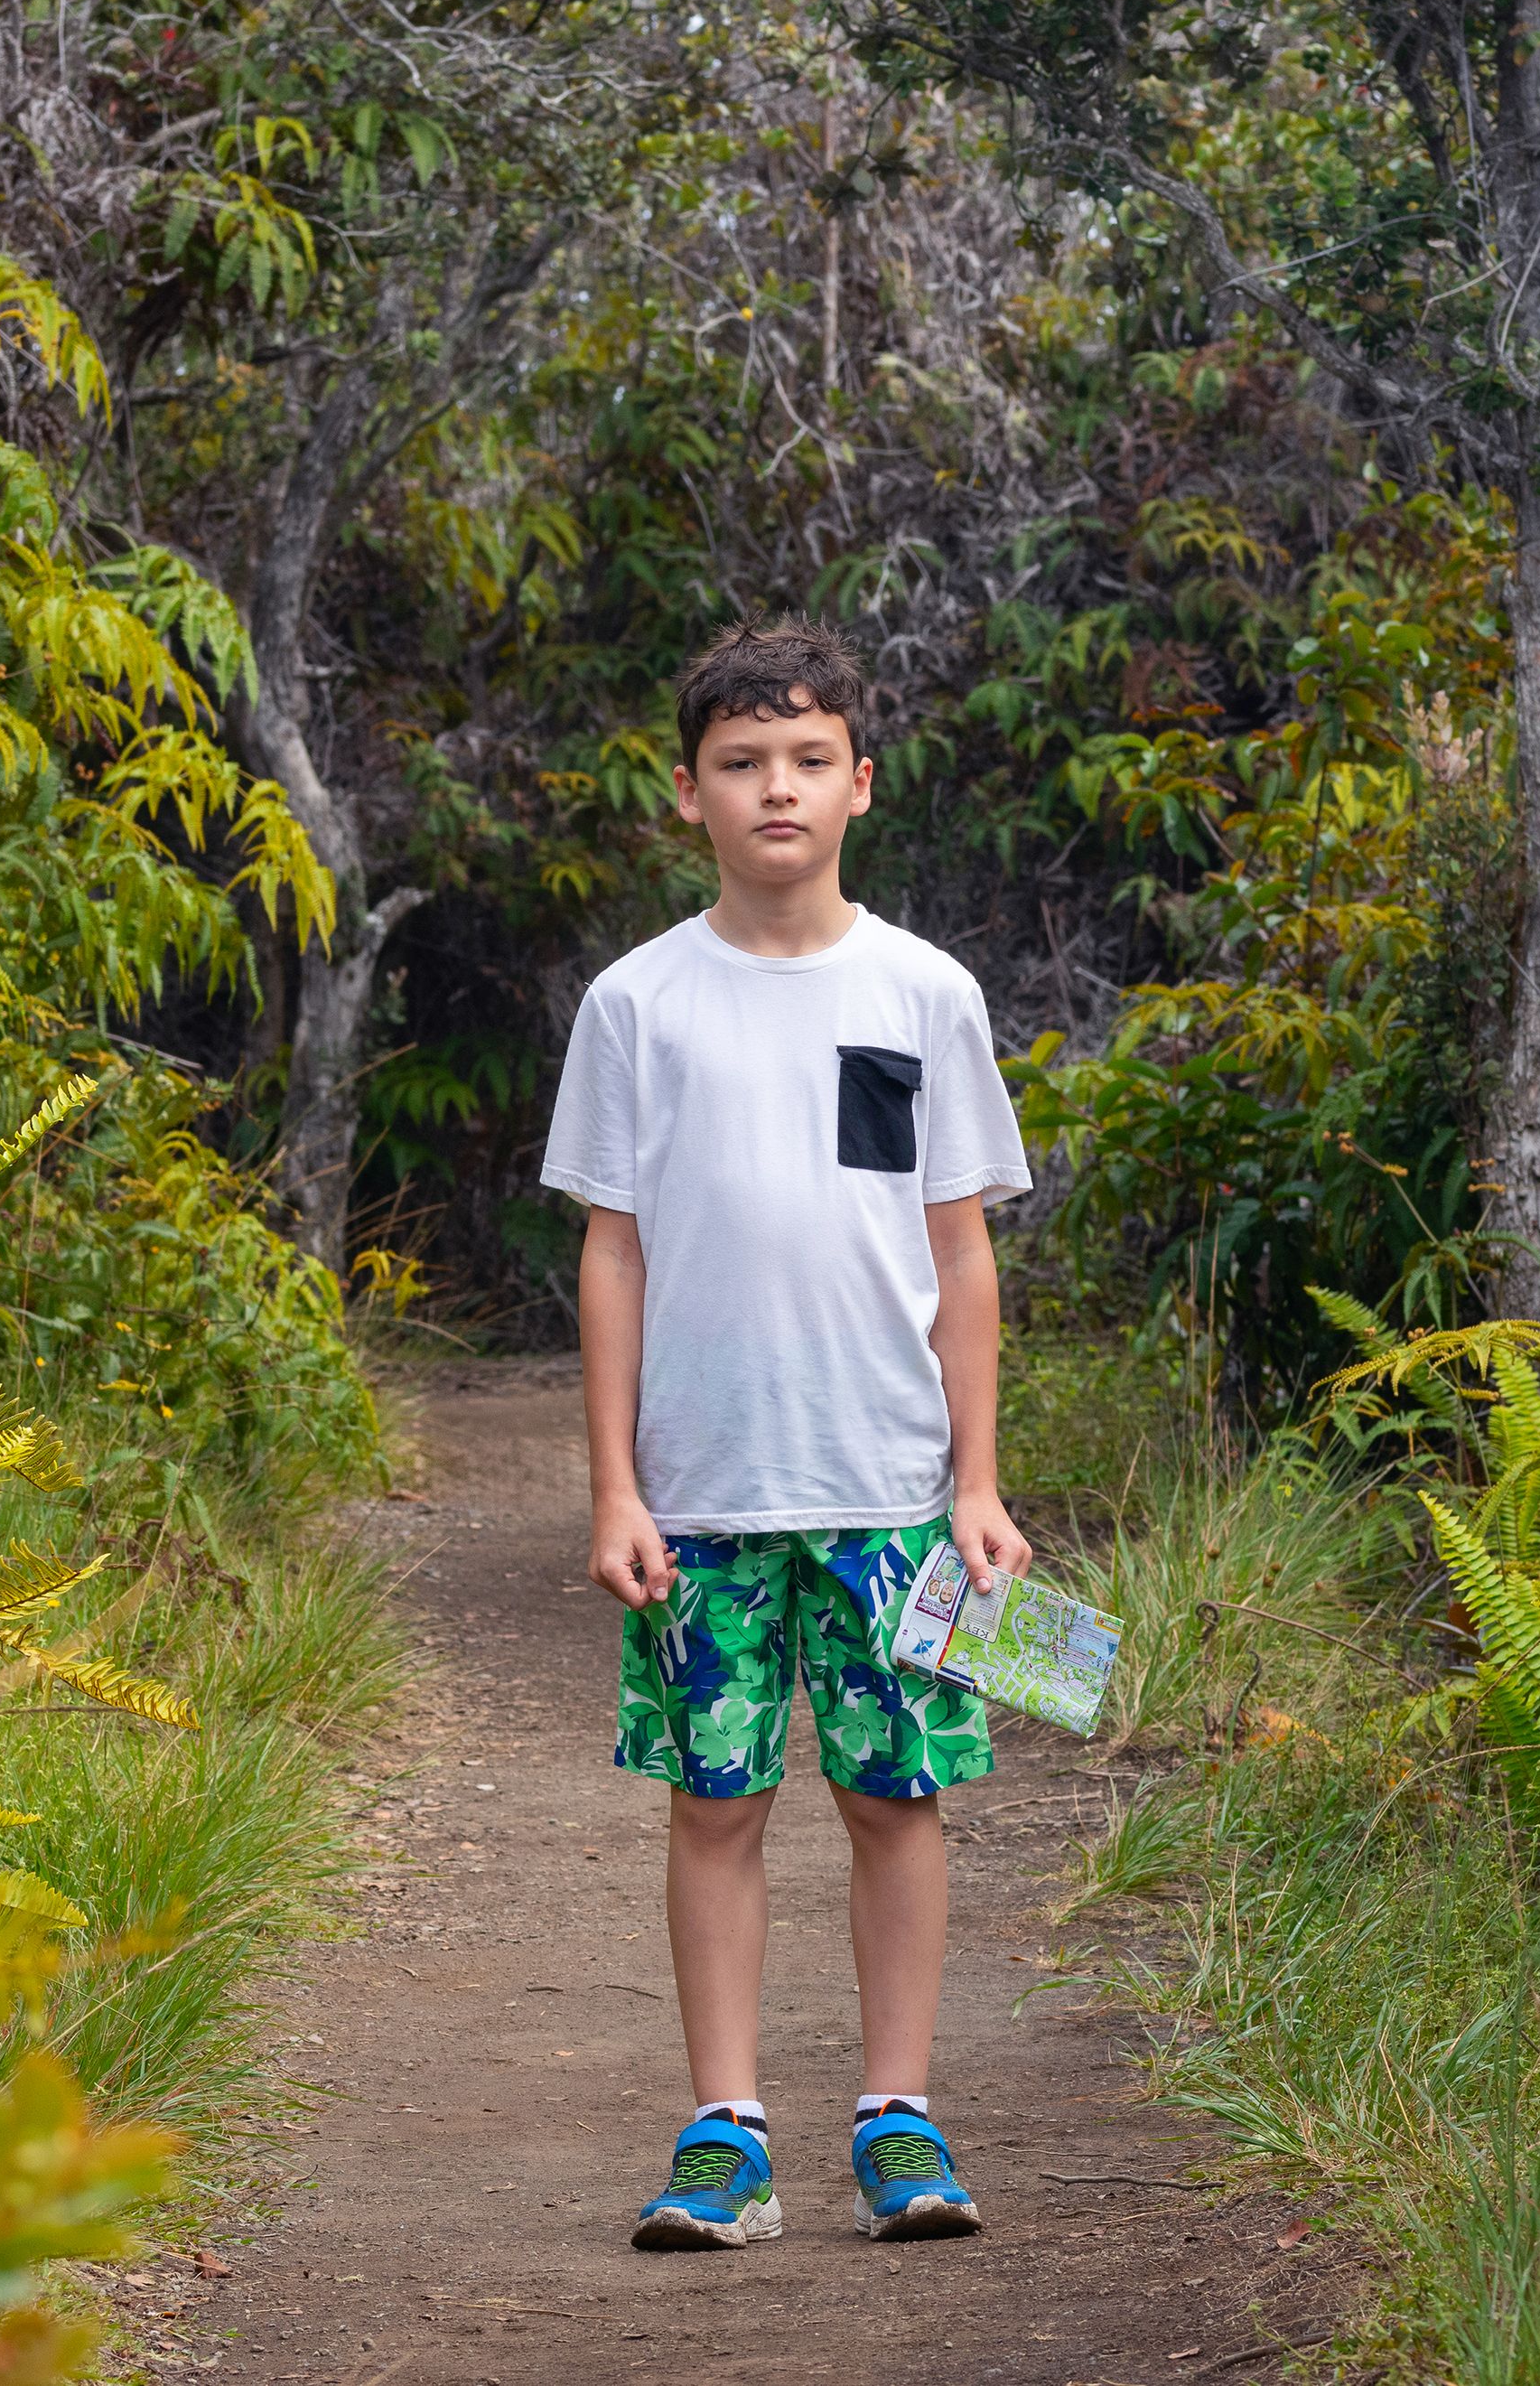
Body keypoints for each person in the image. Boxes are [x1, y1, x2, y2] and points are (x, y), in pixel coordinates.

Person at [539, 617, 1034, 2252]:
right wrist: (616, 1486)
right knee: (717, 1800)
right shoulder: (637, 1003)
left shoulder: (921, 991)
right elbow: (611, 1250)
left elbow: (958, 1250)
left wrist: (975, 1480)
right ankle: (726, 2129)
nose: (777, 789)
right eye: (742, 763)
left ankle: (899, 2117)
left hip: (896, 1490)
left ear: (860, 786)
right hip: (704, 1496)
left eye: (808, 760)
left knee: (898, 1795)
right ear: (688, 795)